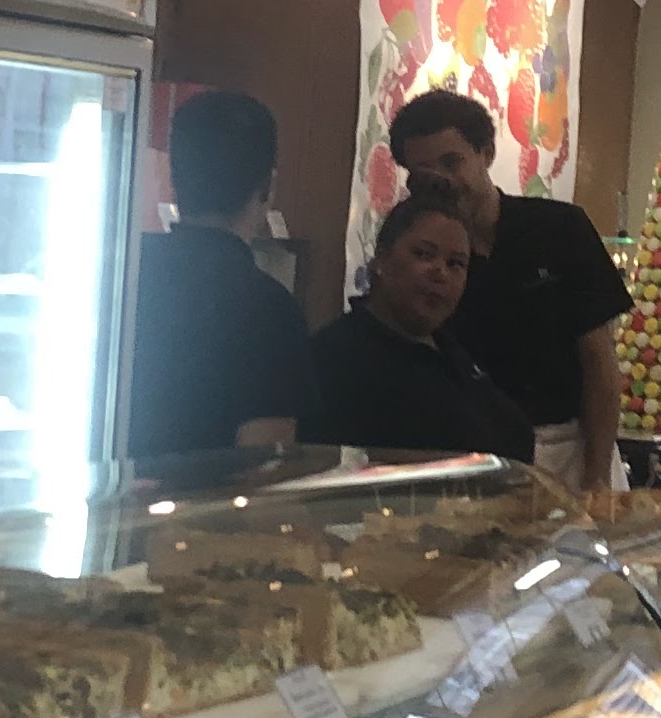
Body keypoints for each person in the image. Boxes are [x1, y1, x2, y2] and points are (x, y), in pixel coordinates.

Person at [388, 85, 630, 495]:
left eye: (453, 162)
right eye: (426, 171)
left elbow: (599, 360)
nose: (444, 181)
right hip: (471, 460)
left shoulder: (560, 228)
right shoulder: (423, 260)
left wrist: (597, 477)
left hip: (572, 450)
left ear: (486, 154)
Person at [129, 89, 320, 462]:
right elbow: (263, 464)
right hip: (202, 500)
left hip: (102, 492)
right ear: (267, 187)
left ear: (175, 179)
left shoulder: (122, 276)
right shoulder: (268, 308)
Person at [308, 189, 536, 457]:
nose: (440, 273)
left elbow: (514, 432)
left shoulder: (452, 349)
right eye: (424, 254)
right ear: (382, 259)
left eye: (455, 263)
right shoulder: (334, 355)